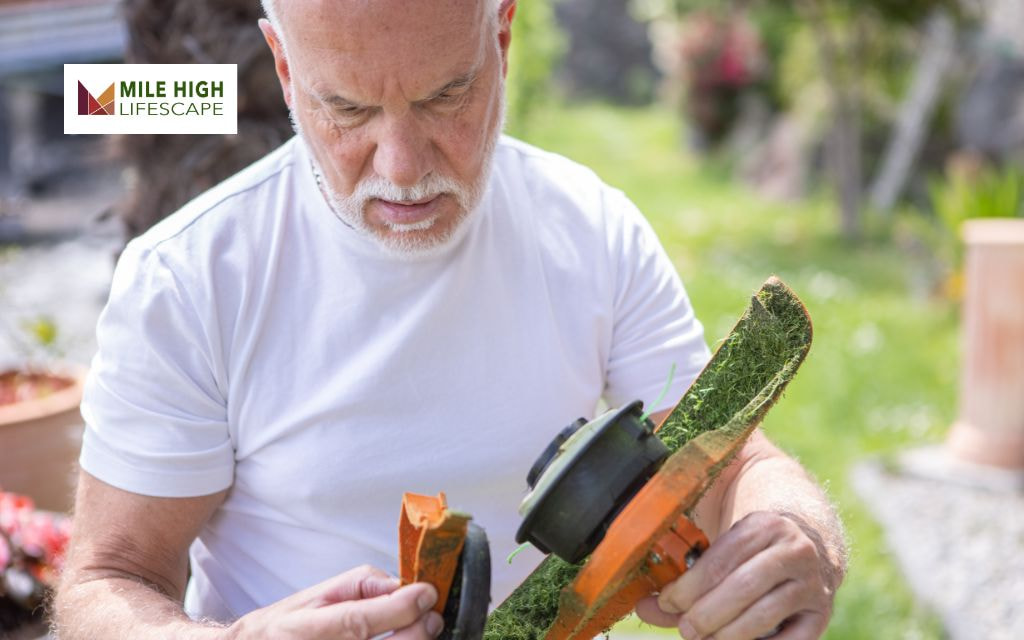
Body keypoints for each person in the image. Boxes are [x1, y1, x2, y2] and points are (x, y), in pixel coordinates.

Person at [54, 1, 847, 639]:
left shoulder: (590, 228)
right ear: (287, 69)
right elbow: (103, 583)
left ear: (502, 36)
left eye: (444, 96)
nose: (401, 165)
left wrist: (794, 532)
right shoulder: (190, 278)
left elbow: (726, 463)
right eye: (347, 108)